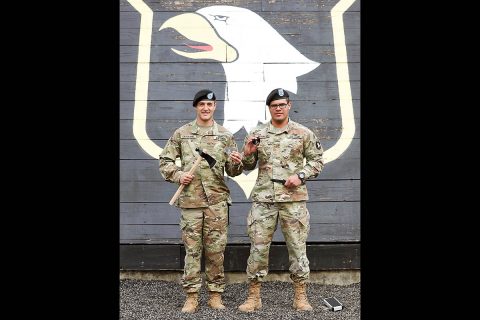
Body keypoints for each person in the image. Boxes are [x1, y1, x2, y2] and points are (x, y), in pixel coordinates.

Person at [237, 88, 324, 312]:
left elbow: (316, 162)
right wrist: (247, 153)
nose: (278, 108)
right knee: (257, 248)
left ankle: (300, 296)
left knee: (297, 248)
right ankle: (254, 297)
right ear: (269, 108)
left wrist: (300, 176)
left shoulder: (303, 133)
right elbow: (246, 167)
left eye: (282, 104)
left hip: (293, 201)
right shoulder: (257, 134)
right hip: (264, 200)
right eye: (274, 105)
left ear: (289, 105)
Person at [159, 89, 244, 313]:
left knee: (216, 251)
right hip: (191, 203)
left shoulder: (225, 135)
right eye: (202, 104)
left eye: (210, 104)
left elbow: (233, 170)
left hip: (216, 203)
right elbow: (165, 161)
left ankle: (215, 295)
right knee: (193, 251)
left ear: (215, 106)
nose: (206, 108)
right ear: (195, 107)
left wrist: (237, 162)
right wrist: (179, 175)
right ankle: (192, 296)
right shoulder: (182, 133)